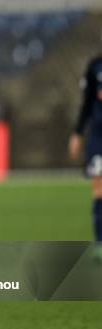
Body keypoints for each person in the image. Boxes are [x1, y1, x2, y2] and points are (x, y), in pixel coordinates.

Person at [69, 55, 102, 246]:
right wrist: (77, 133)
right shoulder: (95, 66)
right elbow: (87, 103)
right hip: (99, 137)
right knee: (99, 189)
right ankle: (100, 242)